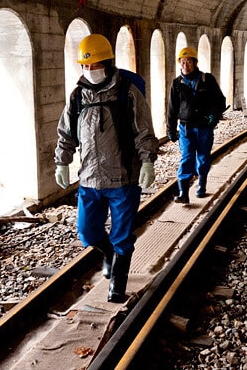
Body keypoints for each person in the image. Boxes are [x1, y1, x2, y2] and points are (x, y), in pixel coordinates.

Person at [54, 33, 158, 303]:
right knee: (87, 231)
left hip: (123, 177)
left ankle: (118, 285)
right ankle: (108, 255)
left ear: (108, 63)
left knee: (123, 234)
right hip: (89, 178)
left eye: (95, 65)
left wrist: (148, 161)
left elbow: (144, 130)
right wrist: (62, 162)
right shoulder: (78, 96)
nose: (90, 71)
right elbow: (66, 133)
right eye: (85, 66)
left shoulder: (127, 92)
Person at [166, 47, 227, 204]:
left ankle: (201, 184)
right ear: (180, 64)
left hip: (204, 128)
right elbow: (172, 109)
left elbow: (220, 101)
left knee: (203, 157)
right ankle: (183, 193)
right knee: (186, 157)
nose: (186, 65)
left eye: (189, 62)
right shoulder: (177, 84)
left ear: (195, 63)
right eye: (183, 62)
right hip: (185, 128)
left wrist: (212, 118)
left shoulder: (207, 80)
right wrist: (171, 130)